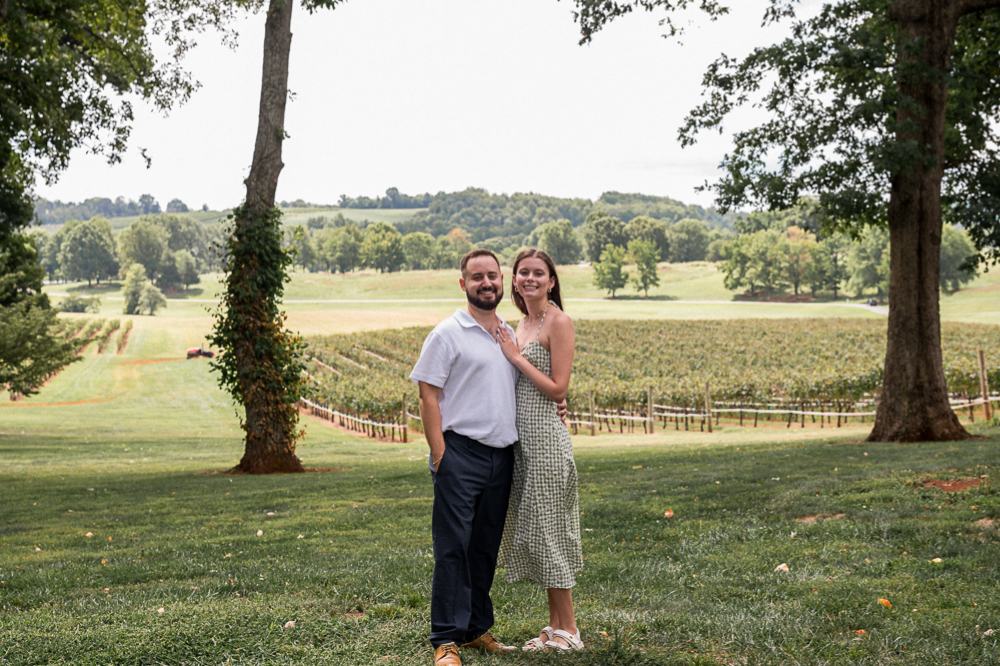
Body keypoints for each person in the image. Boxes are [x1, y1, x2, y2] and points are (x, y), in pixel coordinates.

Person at [409, 249, 520, 666]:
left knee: (484, 548)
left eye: (492, 275)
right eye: (477, 277)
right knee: (453, 548)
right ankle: (445, 639)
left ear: (502, 282)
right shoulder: (447, 333)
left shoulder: (506, 333)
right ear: (463, 284)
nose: (486, 283)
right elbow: (428, 394)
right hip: (460, 453)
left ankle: (476, 630)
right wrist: (440, 454)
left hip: (501, 456)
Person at [495, 248, 584, 652]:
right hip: (523, 444)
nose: (530, 278)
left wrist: (514, 357)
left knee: (551, 532)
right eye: (523, 272)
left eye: (538, 273)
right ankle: (553, 626)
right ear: (514, 280)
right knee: (538, 532)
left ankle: (571, 630)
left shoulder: (558, 321)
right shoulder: (523, 322)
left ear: (551, 281)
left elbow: (558, 388)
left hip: (546, 442)